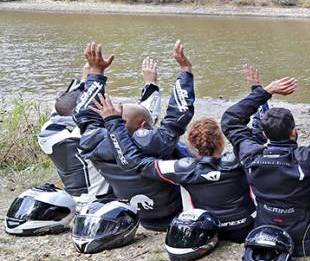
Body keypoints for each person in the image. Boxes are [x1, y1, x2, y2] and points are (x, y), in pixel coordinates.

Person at [99, 66, 283, 242]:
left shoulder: (181, 168)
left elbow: (134, 163)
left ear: (191, 146)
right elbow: (258, 133)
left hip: (207, 229)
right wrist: (258, 92)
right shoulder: (239, 160)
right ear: (222, 142)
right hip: (245, 227)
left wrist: (113, 123)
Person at [221, 74, 310, 257]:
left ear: (264, 134)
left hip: (268, 235)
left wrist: (266, 91)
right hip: (308, 242)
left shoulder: (250, 155)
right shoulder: (306, 160)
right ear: (294, 132)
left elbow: (230, 120)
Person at [76, 41, 196, 230]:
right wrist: (185, 70)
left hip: (132, 213)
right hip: (171, 213)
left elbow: (84, 115)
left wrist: (96, 73)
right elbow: (177, 116)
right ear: (143, 125)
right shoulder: (158, 144)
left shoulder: (94, 142)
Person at [38, 64, 112, 206]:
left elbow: (63, 106)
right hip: (97, 200)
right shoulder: (89, 136)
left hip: (71, 197)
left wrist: (86, 79)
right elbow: (143, 118)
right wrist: (151, 85)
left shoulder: (47, 131)